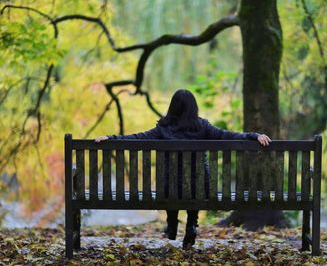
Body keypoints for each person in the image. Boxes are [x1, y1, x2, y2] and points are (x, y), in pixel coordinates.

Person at [94, 89, 271, 248]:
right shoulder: (203, 127)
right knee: (196, 181)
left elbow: (137, 137)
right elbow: (230, 136)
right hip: (198, 190)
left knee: (171, 182)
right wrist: (253, 136)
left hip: (169, 191)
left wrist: (111, 138)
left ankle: (172, 222)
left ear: (172, 108)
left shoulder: (162, 129)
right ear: (193, 108)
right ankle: (192, 222)